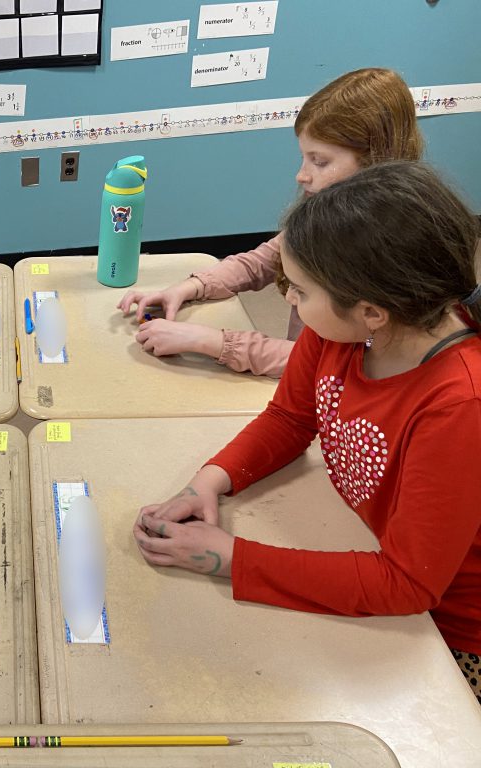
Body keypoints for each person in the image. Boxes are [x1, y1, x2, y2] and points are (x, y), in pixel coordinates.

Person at [133, 161, 481, 705]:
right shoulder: (344, 331)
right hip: (358, 543)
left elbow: (407, 585)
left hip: (445, 627)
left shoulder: (460, 406)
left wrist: (233, 558)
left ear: (372, 312)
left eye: (298, 291)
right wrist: (208, 482)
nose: (288, 303)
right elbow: (291, 419)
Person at [119, 68, 424, 377]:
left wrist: (211, 341)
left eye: (320, 162)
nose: (301, 175)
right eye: (304, 157)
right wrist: (192, 286)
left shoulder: (385, 253)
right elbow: (261, 261)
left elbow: (325, 364)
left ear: (375, 162)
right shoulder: (323, 216)